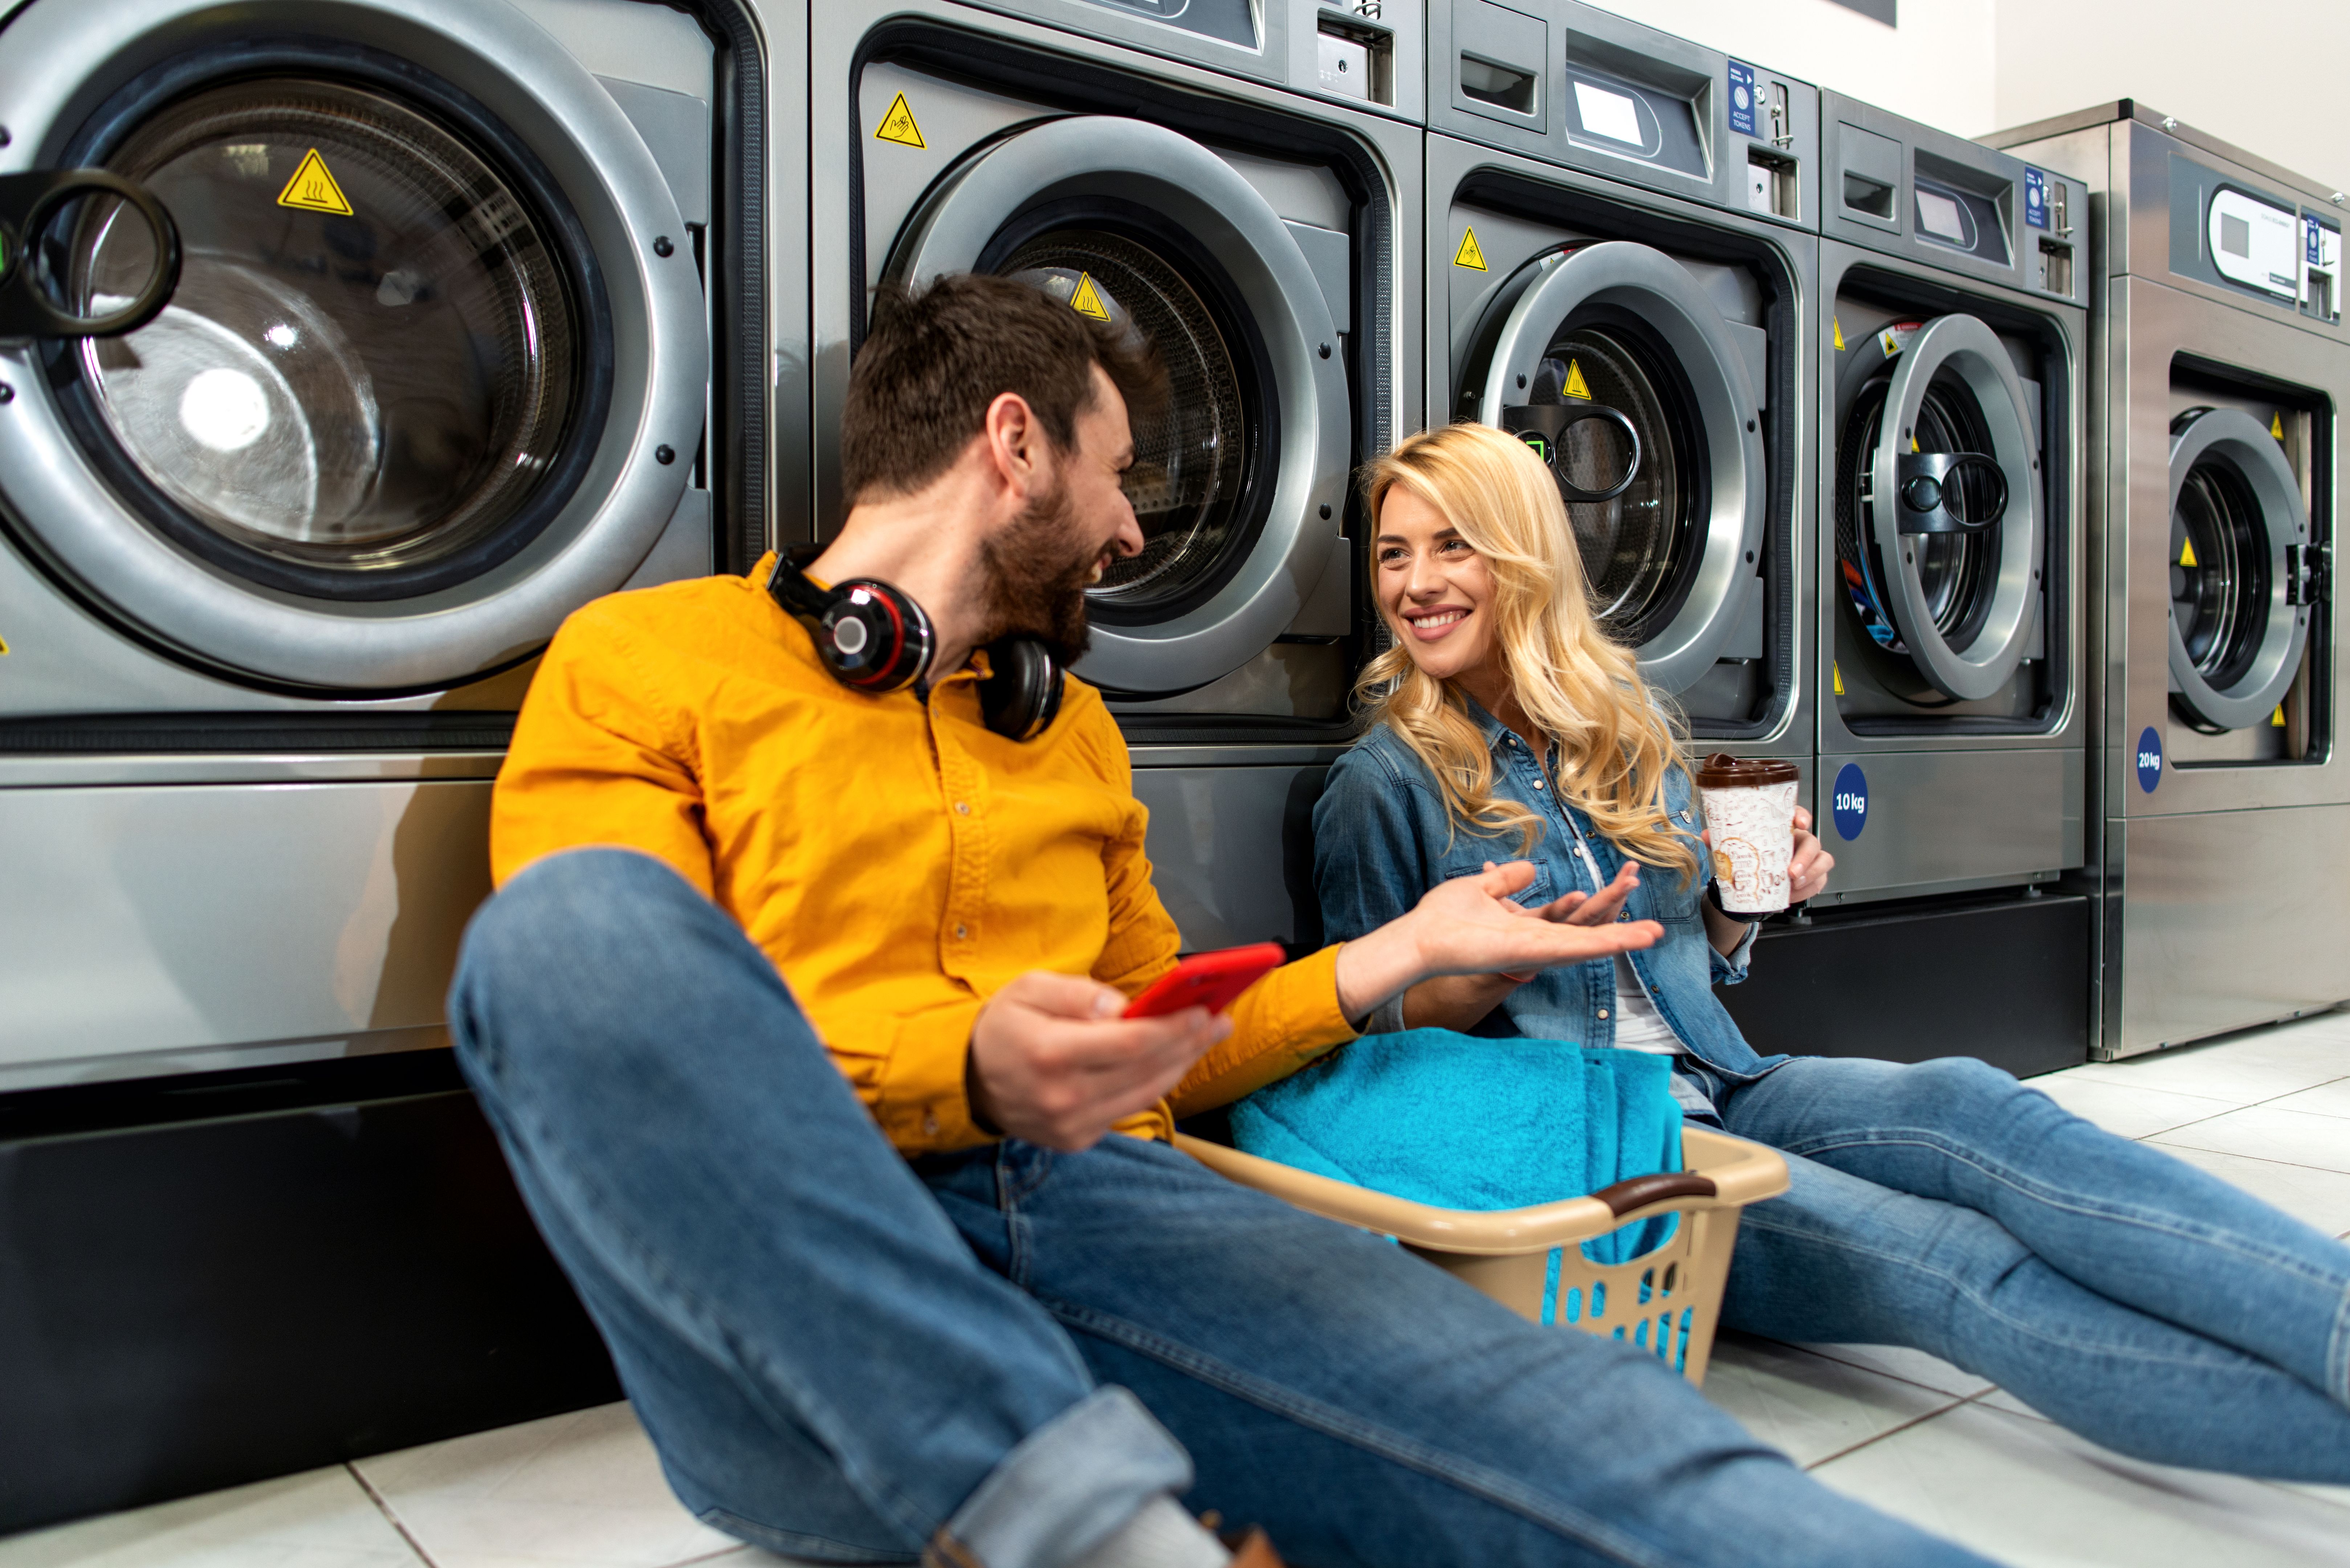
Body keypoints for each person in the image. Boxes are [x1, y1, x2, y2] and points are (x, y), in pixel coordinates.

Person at [445, 273, 2011, 1568]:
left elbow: (1169, 1048)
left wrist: (1388, 963)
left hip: (1103, 1227)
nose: (1132, 530)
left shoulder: (1069, 732)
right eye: (1118, 472)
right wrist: (965, 1071)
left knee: (1639, 1459)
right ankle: (1092, 1521)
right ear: (1015, 445)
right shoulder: (648, 659)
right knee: (566, 924)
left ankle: (1085, 1512)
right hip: (786, 1307)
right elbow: (604, 1023)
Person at [1311, 419, 2350, 1484]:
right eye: (1395, 554)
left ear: (1525, 558)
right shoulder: (1383, 783)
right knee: (1954, 1264)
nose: (1416, 583)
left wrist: (1746, 901)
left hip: (1726, 1078)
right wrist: (1491, 974)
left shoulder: (1621, 735)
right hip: (1602, 1139)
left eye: (1452, 546)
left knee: (1982, 1107)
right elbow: (1367, 1042)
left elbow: (1693, 964)